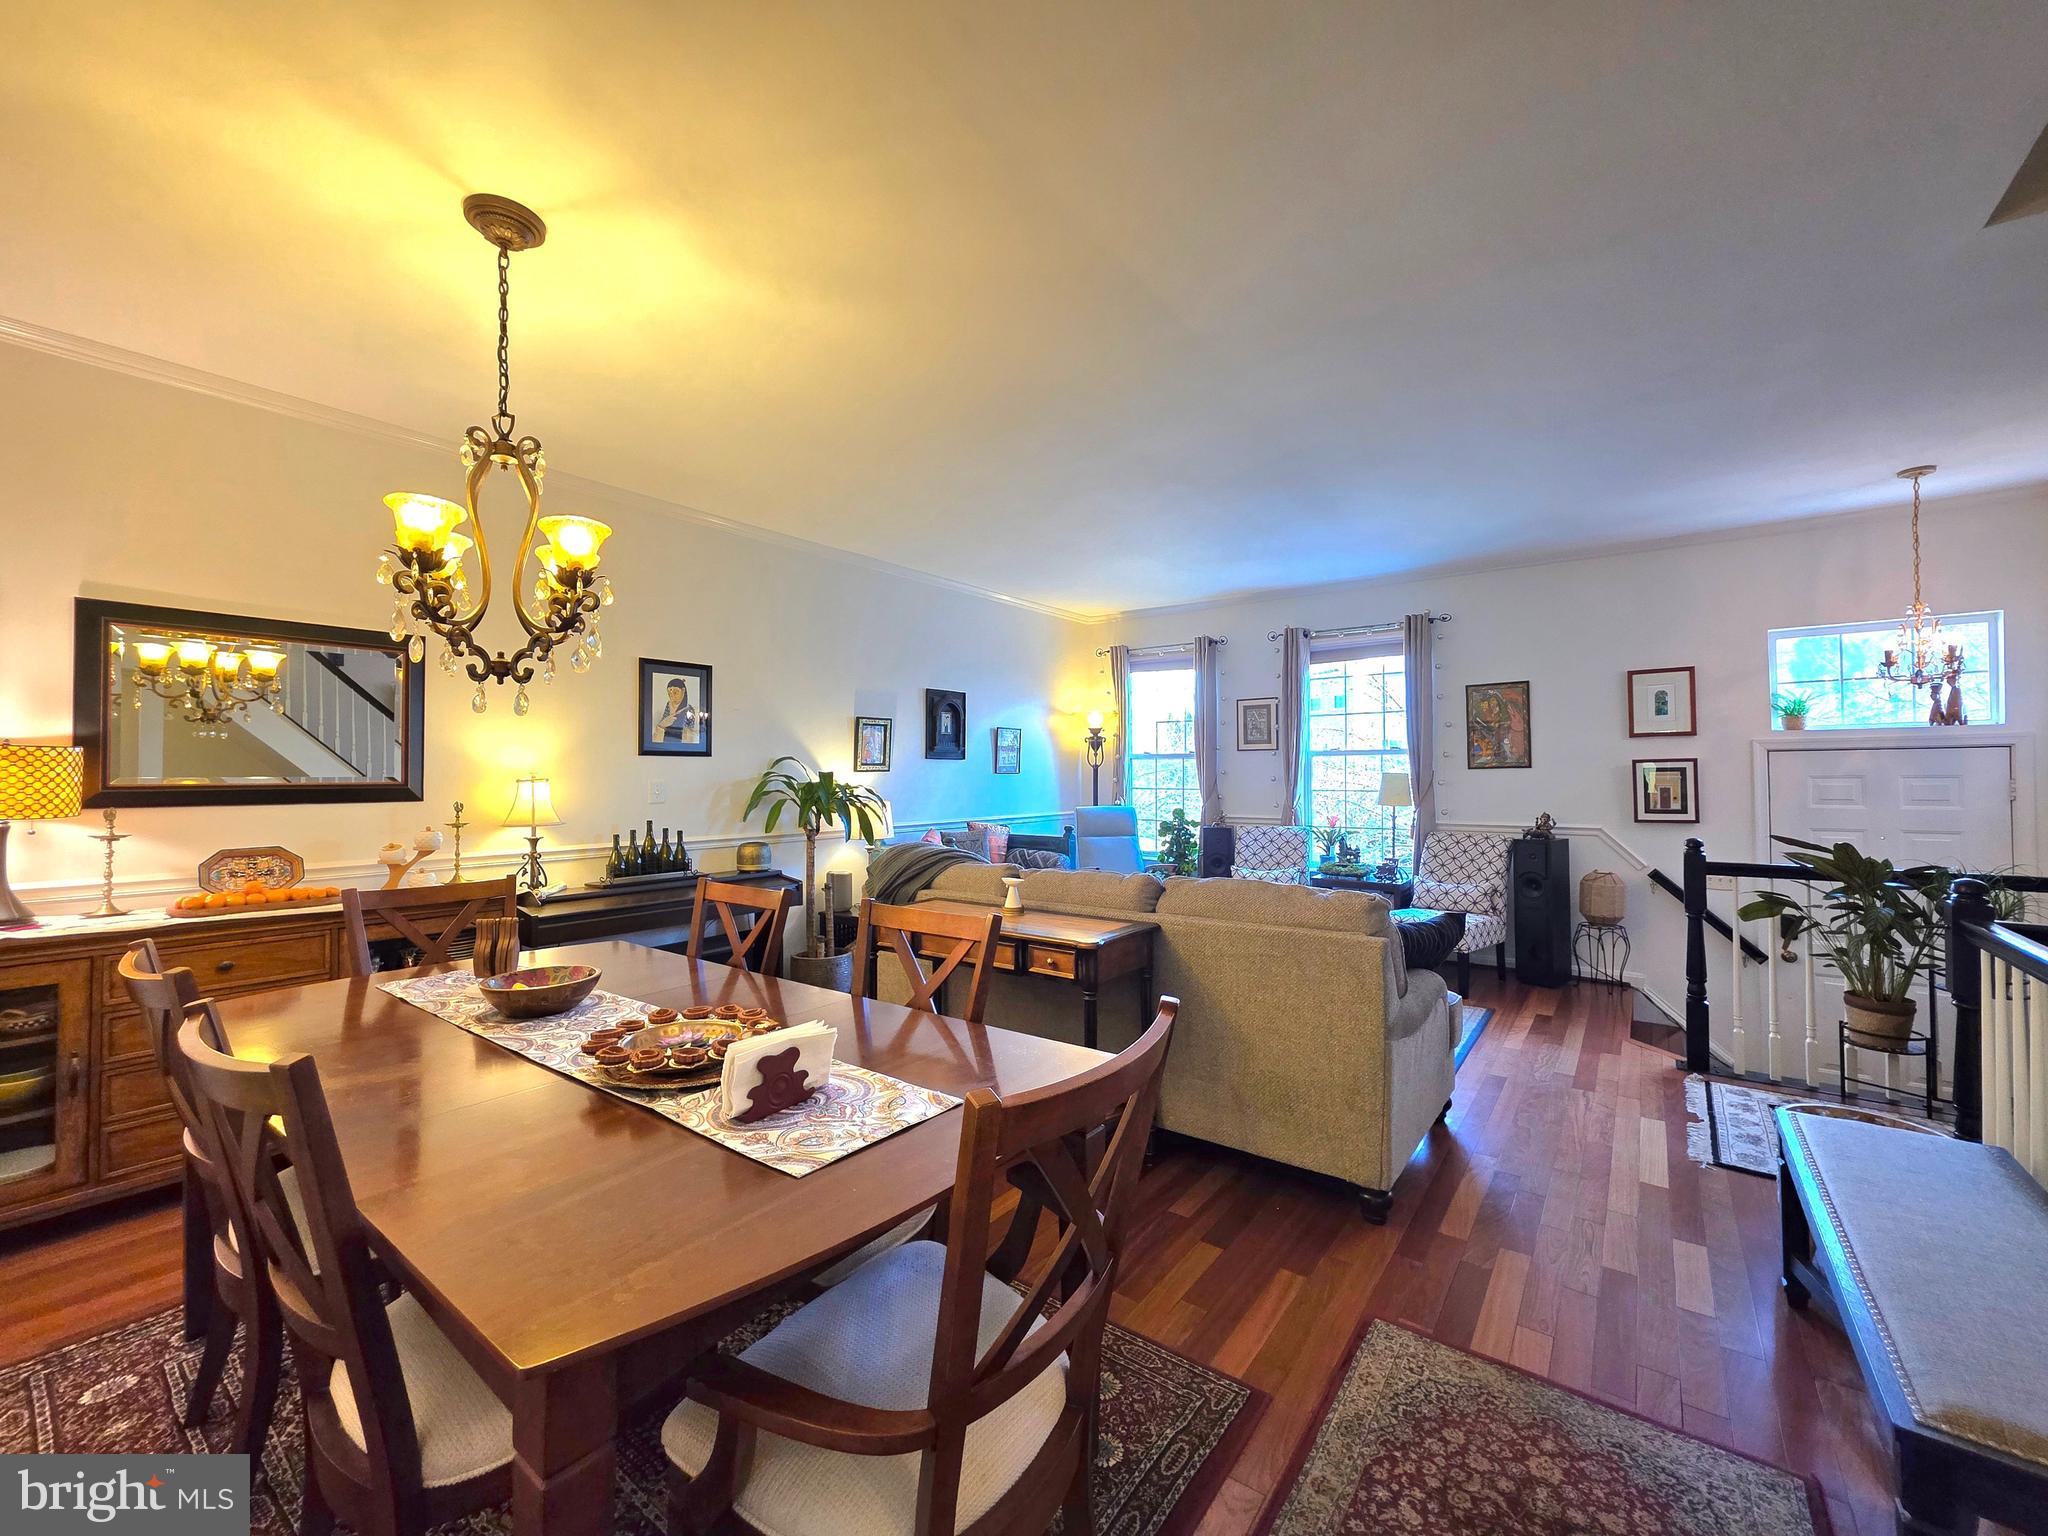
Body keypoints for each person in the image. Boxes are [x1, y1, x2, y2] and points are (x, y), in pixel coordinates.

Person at [654, 677, 699, 745]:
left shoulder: (689, 709)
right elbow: (663, 724)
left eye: (675, 692)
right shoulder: (668, 705)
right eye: (669, 693)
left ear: (683, 691)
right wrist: (662, 724)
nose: (672, 695)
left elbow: (689, 733)